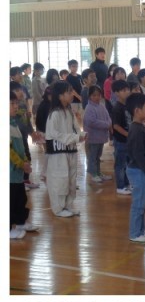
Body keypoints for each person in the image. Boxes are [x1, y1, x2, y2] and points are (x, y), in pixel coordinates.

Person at [45, 81, 84, 218]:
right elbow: (54, 134)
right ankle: (58, 208)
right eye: (69, 92)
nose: (72, 94)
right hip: (58, 153)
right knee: (59, 180)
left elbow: (76, 128)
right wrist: (75, 137)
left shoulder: (69, 111)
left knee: (71, 180)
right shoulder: (54, 114)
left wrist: (81, 135)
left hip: (70, 150)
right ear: (60, 95)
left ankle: (68, 205)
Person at [125, 92, 145, 244]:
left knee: (142, 204)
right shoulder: (136, 130)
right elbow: (138, 155)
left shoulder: (139, 127)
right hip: (138, 171)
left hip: (141, 170)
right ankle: (135, 233)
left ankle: (140, 232)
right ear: (137, 111)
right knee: (139, 204)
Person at [10, 91, 36, 239]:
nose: (16, 106)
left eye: (16, 103)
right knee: (9, 200)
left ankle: (20, 222)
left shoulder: (14, 124)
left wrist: (25, 161)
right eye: (12, 103)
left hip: (18, 173)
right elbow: (9, 151)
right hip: (10, 173)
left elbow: (21, 147)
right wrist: (21, 163)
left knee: (20, 198)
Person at [83, 86, 113, 184]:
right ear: (89, 96)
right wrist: (107, 124)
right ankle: (93, 174)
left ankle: (98, 173)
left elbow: (108, 117)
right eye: (94, 95)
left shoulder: (102, 106)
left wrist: (109, 123)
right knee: (93, 156)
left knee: (98, 156)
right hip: (93, 137)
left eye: (98, 95)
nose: (97, 97)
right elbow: (92, 122)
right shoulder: (89, 108)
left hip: (100, 137)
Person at [110, 80, 132, 194]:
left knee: (127, 164)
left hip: (128, 140)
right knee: (120, 164)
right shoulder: (117, 107)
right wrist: (128, 134)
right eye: (124, 90)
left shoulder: (127, 106)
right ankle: (120, 186)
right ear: (116, 93)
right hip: (121, 141)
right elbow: (116, 126)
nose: (127, 92)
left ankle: (127, 184)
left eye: (128, 89)